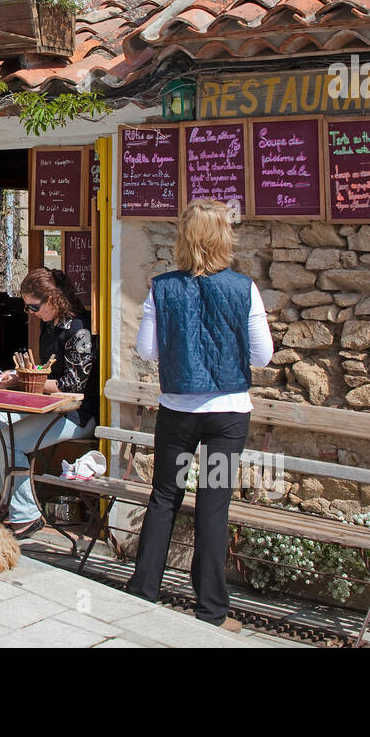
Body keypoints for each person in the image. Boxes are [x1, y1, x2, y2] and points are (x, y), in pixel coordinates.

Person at [125, 199, 273, 629]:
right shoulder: (244, 288)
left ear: (183, 240)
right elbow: (262, 356)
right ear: (225, 239)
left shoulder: (162, 287)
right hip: (228, 415)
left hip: (178, 411)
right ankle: (211, 612)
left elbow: (148, 351)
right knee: (213, 506)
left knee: (164, 498)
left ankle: (143, 593)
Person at [0, 267, 100, 539]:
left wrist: (24, 381)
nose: (30, 313)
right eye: (27, 308)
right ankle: (13, 503)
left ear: (54, 299)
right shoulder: (50, 325)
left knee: (9, 441)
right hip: (50, 408)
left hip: (77, 414)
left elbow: (73, 386)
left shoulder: (78, 330)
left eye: (34, 307)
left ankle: (27, 516)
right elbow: (47, 370)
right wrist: (20, 374)